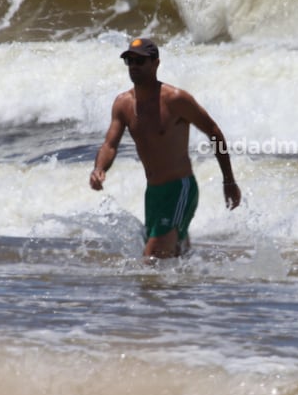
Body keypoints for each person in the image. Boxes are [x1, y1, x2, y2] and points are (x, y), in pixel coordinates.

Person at [89, 38, 241, 259]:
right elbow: (110, 144)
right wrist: (99, 168)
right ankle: (192, 289)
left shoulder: (175, 100)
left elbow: (214, 132)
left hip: (179, 189)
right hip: (153, 193)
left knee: (152, 258)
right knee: (173, 259)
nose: (133, 66)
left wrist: (229, 181)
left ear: (155, 63)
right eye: (129, 60)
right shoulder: (123, 104)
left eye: (139, 61)